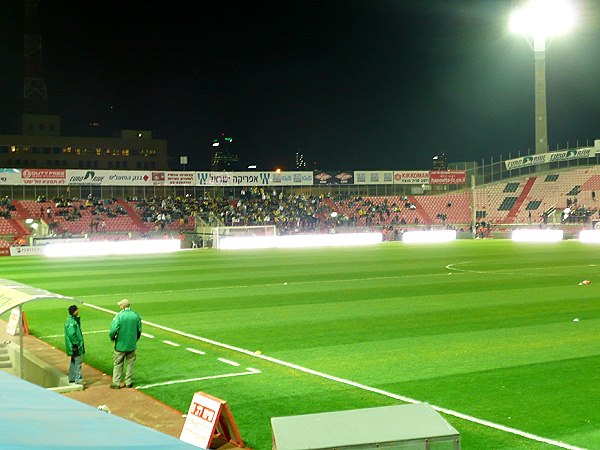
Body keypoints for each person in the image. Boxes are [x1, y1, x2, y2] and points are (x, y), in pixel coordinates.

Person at [109, 299, 142, 389]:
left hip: (120, 344)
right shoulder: (136, 315)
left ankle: (116, 382)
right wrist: (134, 340)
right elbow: (139, 330)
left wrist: (113, 338)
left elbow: (113, 330)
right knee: (130, 364)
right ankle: (128, 382)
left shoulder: (119, 316)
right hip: (131, 344)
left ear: (123, 306)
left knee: (118, 363)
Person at [64, 304, 85, 384]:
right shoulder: (71, 322)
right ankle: (78, 379)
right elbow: (72, 334)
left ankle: (72, 377)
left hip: (73, 346)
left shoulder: (72, 320)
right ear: (73, 312)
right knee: (78, 362)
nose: (78, 311)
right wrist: (77, 343)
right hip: (75, 346)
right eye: (76, 310)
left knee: (73, 361)